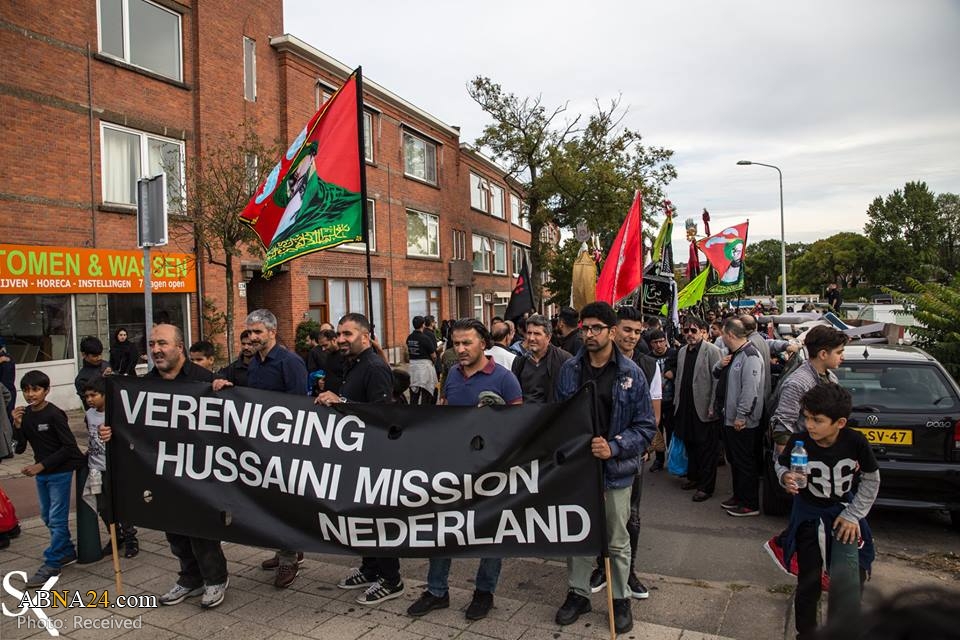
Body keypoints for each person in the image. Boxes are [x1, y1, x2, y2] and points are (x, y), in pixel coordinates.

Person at [100, 324, 229, 609]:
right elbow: (133, 426)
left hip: (199, 471)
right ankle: (189, 578)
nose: (156, 349)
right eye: (152, 344)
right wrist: (113, 433)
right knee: (173, 528)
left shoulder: (205, 380)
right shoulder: (144, 385)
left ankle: (215, 578)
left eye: (162, 343)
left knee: (201, 530)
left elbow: (233, 422)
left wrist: (226, 392)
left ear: (179, 347)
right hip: (164, 471)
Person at [407, 318, 522, 621]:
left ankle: (484, 593)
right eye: (456, 343)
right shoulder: (452, 375)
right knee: (443, 528)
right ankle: (436, 591)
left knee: (490, 533)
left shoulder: (504, 379)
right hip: (454, 468)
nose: (460, 349)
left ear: (484, 343)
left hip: (492, 470)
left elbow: (521, 425)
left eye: (466, 342)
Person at [553, 302, 655, 634]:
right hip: (579, 472)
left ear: (611, 331)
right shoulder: (570, 370)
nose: (589, 334)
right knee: (579, 534)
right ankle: (579, 592)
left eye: (596, 328)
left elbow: (645, 428)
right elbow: (558, 417)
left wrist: (614, 446)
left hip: (615, 473)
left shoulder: (631, 374)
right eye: (585, 327)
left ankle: (620, 598)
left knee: (616, 539)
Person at [771, 383, 879, 640]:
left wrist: (854, 515)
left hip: (844, 514)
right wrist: (785, 476)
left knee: (852, 578)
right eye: (806, 418)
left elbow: (871, 479)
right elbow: (780, 464)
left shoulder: (855, 442)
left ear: (840, 422)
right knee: (808, 580)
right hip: (809, 516)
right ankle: (806, 633)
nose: (809, 425)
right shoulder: (799, 441)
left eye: (817, 420)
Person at [214, 309, 307, 589]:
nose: (252, 337)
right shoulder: (255, 363)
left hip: (286, 446)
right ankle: (284, 551)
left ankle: (290, 560)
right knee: (270, 503)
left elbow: (299, 406)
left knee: (285, 504)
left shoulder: (290, 362)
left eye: (257, 332)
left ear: (271, 333)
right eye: (250, 332)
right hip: (263, 447)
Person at [314, 313, 403, 606]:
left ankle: (391, 579)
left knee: (378, 518)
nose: (341, 339)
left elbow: (382, 413)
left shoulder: (375, 367)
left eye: (347, 334)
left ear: (365, 337)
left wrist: (342, 403)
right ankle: (370, 568)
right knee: (362, 516)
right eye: (339, 334)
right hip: (356, 454)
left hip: (376, 457)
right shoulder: (349, 364)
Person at [587, 305, 660, 599]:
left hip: (629, 456)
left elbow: (653, 417)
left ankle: (627, 575)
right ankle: (599, 568)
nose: (632, 336)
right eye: (627, 330)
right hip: (592, 456)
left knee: (630, 517)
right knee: (595, 516)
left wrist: (633, 445)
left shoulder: (648, 366)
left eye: (637, 332)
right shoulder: (589, 365)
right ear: (614, 330)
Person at [13, 370, 85, 586]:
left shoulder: (55, 414)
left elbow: (69, 447)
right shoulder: (26, 415)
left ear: (46, 390)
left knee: (56, 518)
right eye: (26, 390)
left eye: (35, 389)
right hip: (42, 474)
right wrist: (17, 426)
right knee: (47, 517)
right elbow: (20, 448)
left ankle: (52, 563)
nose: (30, 394)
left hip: (60, 472)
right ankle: (67, 551)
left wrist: (40, 465)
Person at [82, 377, 138, 558]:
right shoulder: (89, 414)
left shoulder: (115, 414)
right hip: (95, 467)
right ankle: (115, 536)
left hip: (114, 467)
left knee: (121, 504)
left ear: (105, 395)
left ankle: (131, 538)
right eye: (87, 396)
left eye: (94, 395)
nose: (90, 399)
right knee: (103, 507)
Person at [770, 325, 847, 454]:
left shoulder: (831, 377)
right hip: (803, 458)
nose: (843, 357)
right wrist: (789, 465)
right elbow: (783, 428)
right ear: (823, 354)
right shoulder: (797, 383)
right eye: (839, 352)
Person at [715, 318, 764, 516]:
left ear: (730, 335)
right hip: (728, 418)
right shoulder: (734, 354)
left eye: (723, 334)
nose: (721, 337)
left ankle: (750, 503)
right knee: (734, 460)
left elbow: (750, 390)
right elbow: (718, 375)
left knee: (745, 462)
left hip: (742, 423)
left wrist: (742, 415)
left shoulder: (750, 355)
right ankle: (738, 496)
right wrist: (719, 364)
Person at [673, 316, 721, 501]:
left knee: (706, 449)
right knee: (690, 443)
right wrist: (677, 402)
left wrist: (713, 407)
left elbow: (717, 381)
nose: (690, 334)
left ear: (703, 331)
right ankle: (694, 477)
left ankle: (706, 487)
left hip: (704, 408)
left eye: (694, 330)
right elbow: (679, 379)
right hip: (685, 407)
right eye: (686, 331)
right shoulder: (682, 351)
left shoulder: (712, 351)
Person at [511, 314, 570, 404]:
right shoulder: (519, 362)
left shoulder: (564, 360)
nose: (531, 338)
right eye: (529, 333)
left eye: (537, 334)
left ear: (548, 337)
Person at [648, 329, 677, 472]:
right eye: (655, 342)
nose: (659, 345)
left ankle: (672, 460)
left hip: (671, 401)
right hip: (655, 402)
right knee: (657, 432)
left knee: (672, 432)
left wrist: (674, 373)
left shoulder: (674, 354)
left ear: (665, 341)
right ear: (651, 344)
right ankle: (659, 460)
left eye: (661, 341)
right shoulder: (648, 359)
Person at [406, 316, 438, 405]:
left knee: (414, 393)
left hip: (413, 367)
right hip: (425, 367)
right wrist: (434, 362)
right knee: (426, 392)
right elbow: (434, 355)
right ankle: (424, 412)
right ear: (423, 325)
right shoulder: (425, 338)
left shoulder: (409, 337)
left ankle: (413, 412)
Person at [74, 336, 112, 406]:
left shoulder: (106, 365)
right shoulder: (81, 379)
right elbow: (89, 405)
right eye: (95, 356)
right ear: (84, 355)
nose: (99, 358)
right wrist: (101, 378)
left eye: (100, 354)